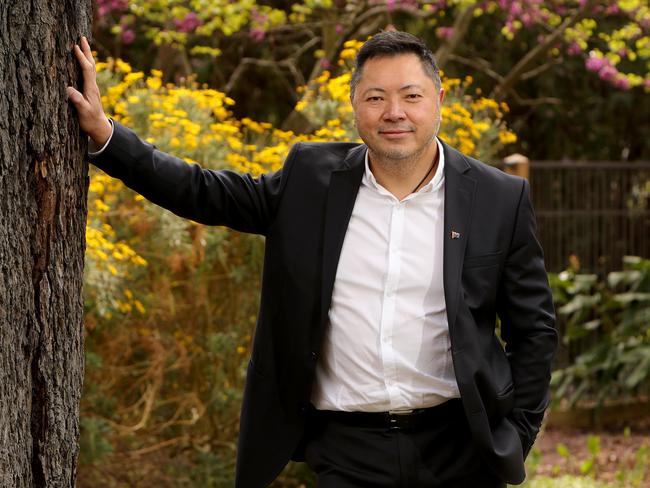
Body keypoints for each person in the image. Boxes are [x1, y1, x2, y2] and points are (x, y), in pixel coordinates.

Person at [68, 31, 557, 488]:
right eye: (375, 97)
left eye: (411, 95)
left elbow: (533, 329)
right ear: (355, 107)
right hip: (346, 451)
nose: (394, 112)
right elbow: (205, 192)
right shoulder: (310, 180)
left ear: (438, 102)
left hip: (459, 448)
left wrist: (516, 435)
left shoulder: (499, 198)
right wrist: (106, 135)